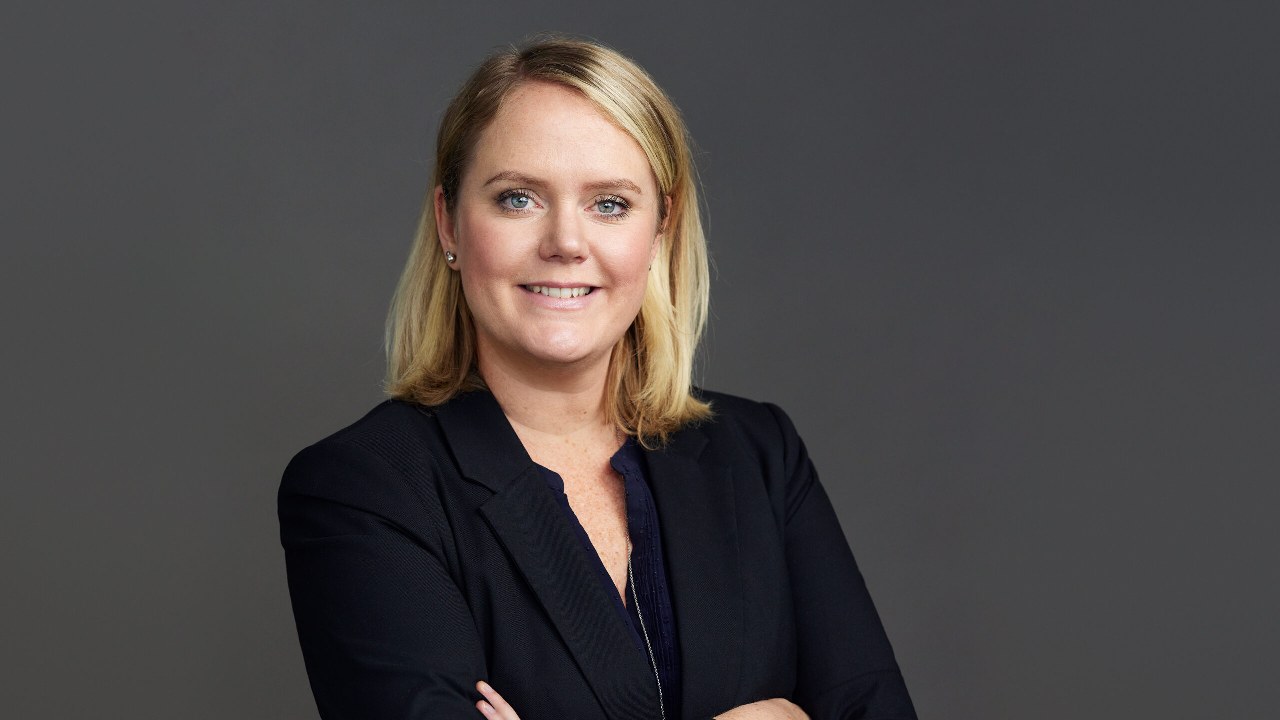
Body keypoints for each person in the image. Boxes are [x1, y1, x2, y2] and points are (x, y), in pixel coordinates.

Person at [279, 37, 917, 720]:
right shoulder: (365, 487)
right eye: (518, 198)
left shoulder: (759, 456)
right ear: (450, 224)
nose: (565, 242)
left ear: (660, 231)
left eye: (610, 203)